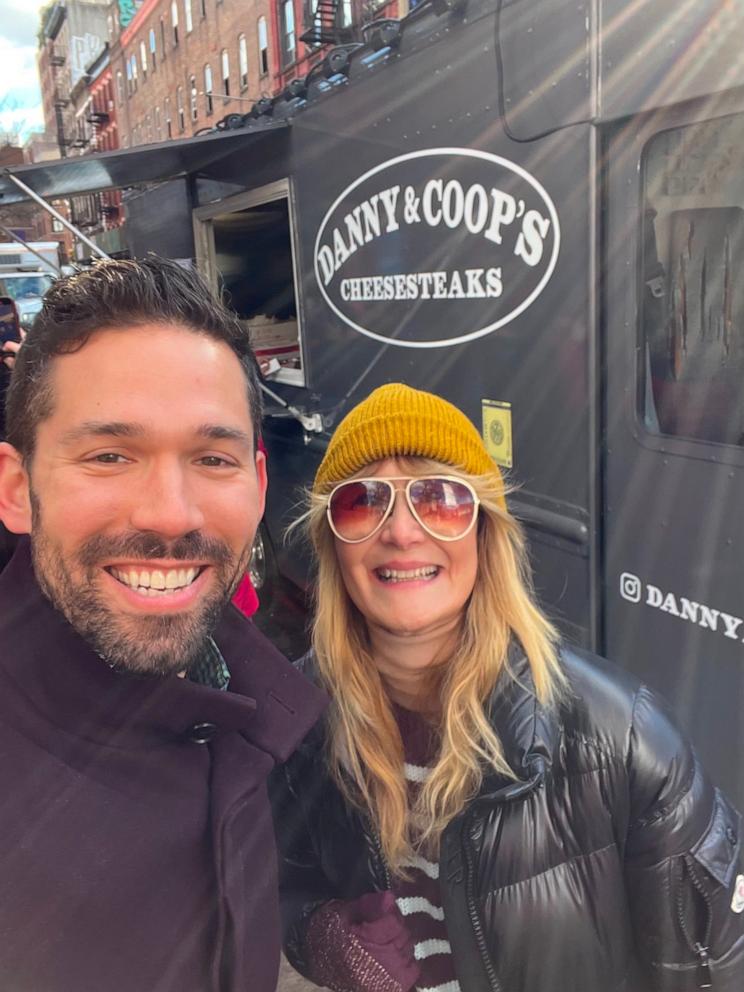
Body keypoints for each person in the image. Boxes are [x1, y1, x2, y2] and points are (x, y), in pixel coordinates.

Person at [271, 382, 744, 992]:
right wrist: (318, 936)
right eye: (363, 503)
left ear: (485, 533)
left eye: (438, 500)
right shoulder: (298, 723)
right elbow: (282, 884)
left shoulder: (626, 741)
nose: (402, 532)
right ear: (333, 543)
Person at [0, 256, 325, 992]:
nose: (171, 515)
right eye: (110, 455)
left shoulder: (252, 709)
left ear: (259, 482)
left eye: (213, 458)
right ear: (18, 490)